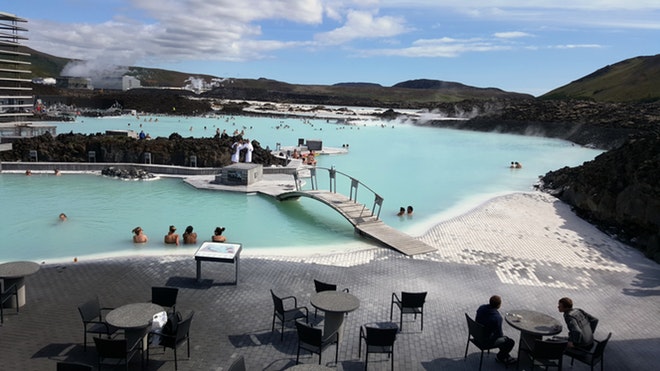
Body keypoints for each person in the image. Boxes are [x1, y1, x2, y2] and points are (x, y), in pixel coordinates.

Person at [475, 295, 517, 365]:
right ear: (498, 305)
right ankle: (501, 357)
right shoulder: (497, 318)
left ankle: (505, 356)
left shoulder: (481, 308)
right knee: (509, 341)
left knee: (503, 339)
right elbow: (499, 335)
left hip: (477, 335)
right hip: (486, 341)